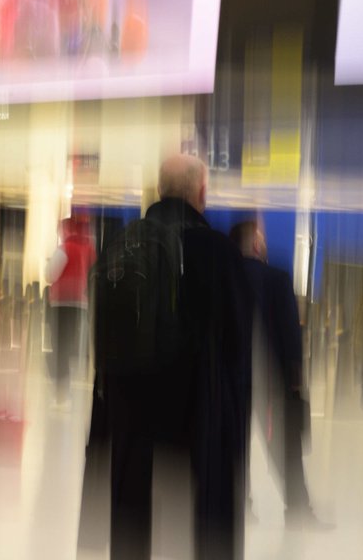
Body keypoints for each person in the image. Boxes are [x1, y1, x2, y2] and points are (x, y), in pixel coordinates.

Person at [95, 154, 252, 560]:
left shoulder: (122, 243)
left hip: (131, 414)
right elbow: (237, 348)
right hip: (198, 418)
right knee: (204, 528)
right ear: (202, 192)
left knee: (133, 519)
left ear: (161, 190)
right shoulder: (219, 252)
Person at [229, 221, 329, 530]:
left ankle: (240, 507)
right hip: (272, 382)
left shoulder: (225, 278)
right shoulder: (276, 278)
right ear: (257, 246)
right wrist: (295, 377)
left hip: (232, 378)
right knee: (285, 450)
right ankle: (297, 510)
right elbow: (289, 332)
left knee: (235, 447)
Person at [46, 215, 96, 407]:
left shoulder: (65, 248)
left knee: (59, 348)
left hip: (61, 304)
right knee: (68, 348)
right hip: (81, 305)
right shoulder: (89, 250)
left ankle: (61, 394)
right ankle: (65, 393)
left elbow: (50, 274)